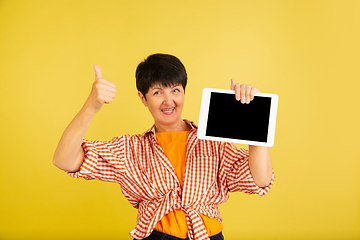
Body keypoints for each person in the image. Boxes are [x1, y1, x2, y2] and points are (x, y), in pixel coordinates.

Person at [53, 53, 274, 240]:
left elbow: (260, 179)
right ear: (143, 98)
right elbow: (64, 160)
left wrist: (253, 116)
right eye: (158, 92)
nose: (168, 101)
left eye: (175, 90)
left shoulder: (213, 143)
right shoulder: (130, 149)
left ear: (184, 92)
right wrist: (91, 106)